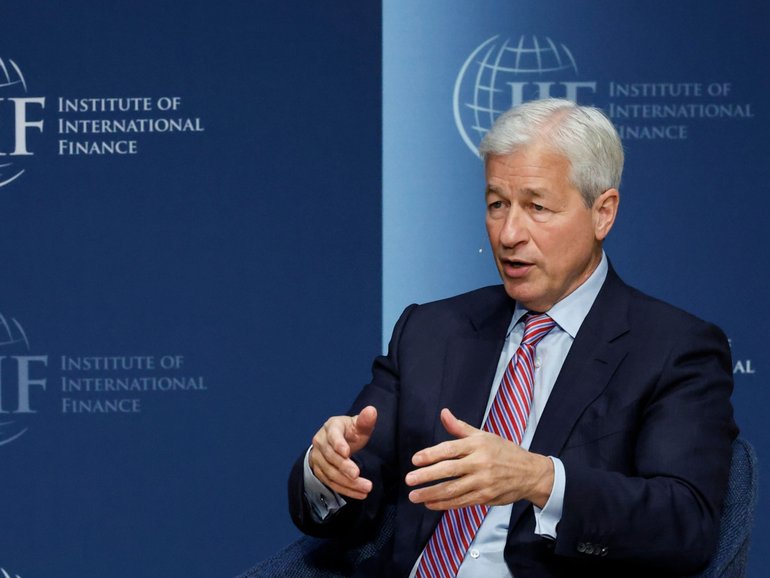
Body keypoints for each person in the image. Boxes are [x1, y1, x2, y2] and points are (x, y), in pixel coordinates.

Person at [288, 98, 737, 577]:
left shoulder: (673, 348)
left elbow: (684, 522)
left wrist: (540, 479)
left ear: (602, 212)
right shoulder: (431, 331)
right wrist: (329, 472)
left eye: (537, 206)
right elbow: (354, 492)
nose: (508, 233)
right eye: (497, 204)